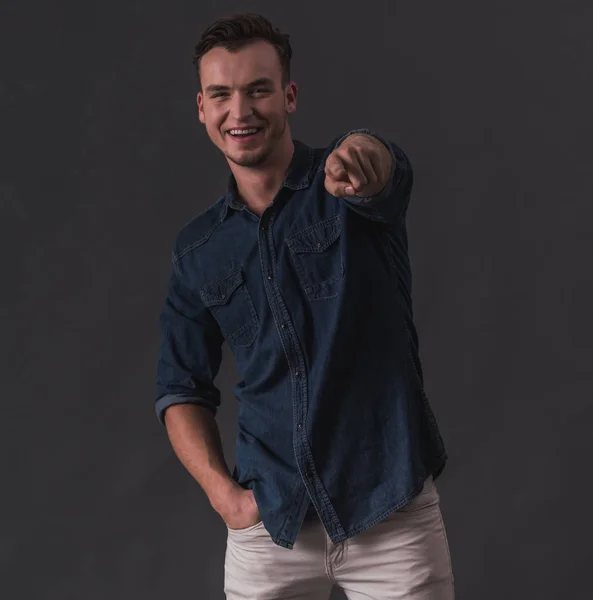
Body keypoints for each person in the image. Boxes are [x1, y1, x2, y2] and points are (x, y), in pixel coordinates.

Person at [155, 12, 454, 600]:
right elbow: (179, 387)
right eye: (222, 95)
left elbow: (384, 175)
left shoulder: (343, 187)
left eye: (258, 90)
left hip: (387, 513)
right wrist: (225, 497)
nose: (239, 112)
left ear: (288, 96)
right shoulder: (198, 249)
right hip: (271, 529)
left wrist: (363, 156)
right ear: (202, 109)